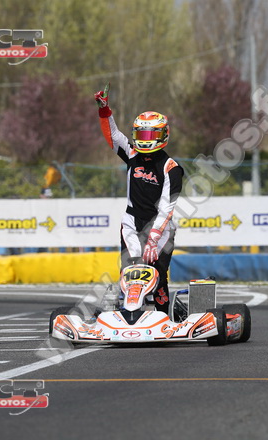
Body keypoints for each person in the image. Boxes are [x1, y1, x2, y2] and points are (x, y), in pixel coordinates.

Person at [94, 83, 183, 314]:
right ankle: (128, 314)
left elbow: (167, 208)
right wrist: (104, 110)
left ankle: (163, 317)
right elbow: (113, 136)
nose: (144, 139)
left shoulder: (171, 168)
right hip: (131, 222)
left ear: (162, 135)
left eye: (150, 135)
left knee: (157, 273)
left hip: (160, 228)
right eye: (141, 135)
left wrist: (153, 239)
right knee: (131, 270)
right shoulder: (132, 154)